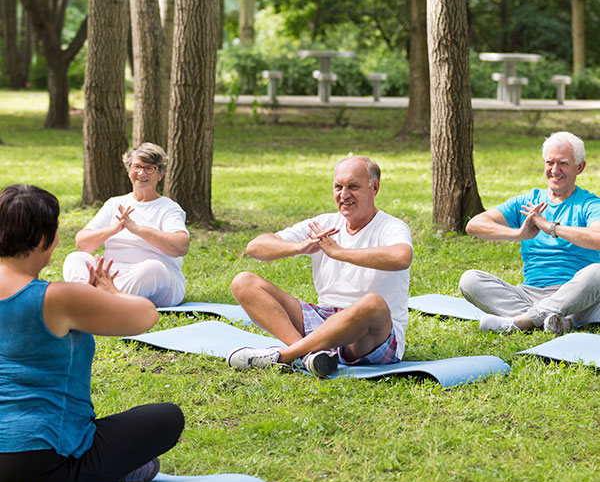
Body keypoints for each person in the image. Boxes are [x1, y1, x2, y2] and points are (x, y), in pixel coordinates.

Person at [0, 185, 184, 482]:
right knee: (168, 417)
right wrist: (109, 292)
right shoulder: (59, 296)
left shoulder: (61, 297)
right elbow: (145, 316)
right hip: (46, 462)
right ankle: (117, 467)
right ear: (46, 238)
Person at [226, 156, 413, 378]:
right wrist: (300, 247)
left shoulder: (391, 226)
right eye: (338, 187)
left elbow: (402, 256)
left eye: (353, 187)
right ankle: (309, 357)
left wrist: (339, 253)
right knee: (243, 282)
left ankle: (284, 356)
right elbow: (256, 247)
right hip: (323, 319)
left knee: (373, 304)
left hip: (372, 336)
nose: (344, 195)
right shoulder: (324, 224)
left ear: (374, 188)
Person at [459, 131, 600, 334]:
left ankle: (520, 323)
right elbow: (475, 225)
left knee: (597, 272)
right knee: (470, 280)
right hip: (529, 293)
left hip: (577, 296)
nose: (555, 170)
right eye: (549, 162)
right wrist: (519, 235)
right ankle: (556, 321)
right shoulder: (528, 202)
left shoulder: (590, 204)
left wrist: (551, 227)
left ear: (580, 167)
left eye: (563, 163)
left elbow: (597, 238)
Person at [63, 143, 189, 307]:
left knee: (152, 268)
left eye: (149, 168)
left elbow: (181, 246)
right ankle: (101, 298)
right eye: (137, 166)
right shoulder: (115, 203)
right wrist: (113, 229)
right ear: (129, 170)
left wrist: (137, 229)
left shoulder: (168, 208)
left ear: (161, 174)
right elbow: (82, 243)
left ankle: (98, 300)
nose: (141, 173)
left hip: (158, 280)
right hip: (112, 276)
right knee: (75, 258)